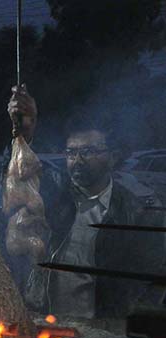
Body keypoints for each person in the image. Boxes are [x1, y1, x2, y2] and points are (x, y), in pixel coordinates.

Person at [25, 117, 163, 318]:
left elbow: (152, 279)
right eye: (71, 153)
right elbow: (17, 177)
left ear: (113, 157)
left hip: (100, 329)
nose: (77, 160)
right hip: (46, 320)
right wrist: (23, 131)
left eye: (88, 152)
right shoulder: (53, 200)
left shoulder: (134, 213)